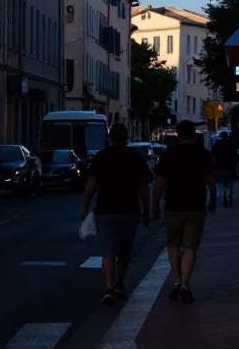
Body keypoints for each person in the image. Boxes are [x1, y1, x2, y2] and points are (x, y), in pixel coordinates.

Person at [80, 123, 152, 305]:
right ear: (126, 138)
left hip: (105, 210)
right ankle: (120, 283)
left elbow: (91, 184)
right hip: (129, 209)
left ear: (110, 138)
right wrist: (146, 209)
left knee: (108, 251)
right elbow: (144, 186)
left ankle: (109, 287)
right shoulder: (136, 157)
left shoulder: (101, 156)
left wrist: (84, 206)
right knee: (125, 250)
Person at [153, 119, 217, 304]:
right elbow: (211, 180)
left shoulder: (168, 154)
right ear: (194, 135)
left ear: (178, 135)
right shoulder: (203, 154)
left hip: (173, 205)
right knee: (190, 247)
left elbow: (159, 183)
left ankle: (177, 280)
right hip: (196, 205)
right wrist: (213, 200)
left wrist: (155, 205)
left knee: (173, 244)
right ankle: (185, 284)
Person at [211, 130, 239, 208]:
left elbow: (212, 155)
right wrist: (237, 168)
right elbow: (236, 157)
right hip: (230, 167)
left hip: (219, 168)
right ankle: (229, 193)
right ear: (227, 136)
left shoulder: (216, 144)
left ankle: (223, 192)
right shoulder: (231, 144)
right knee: (230, 182)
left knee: (220, 183)